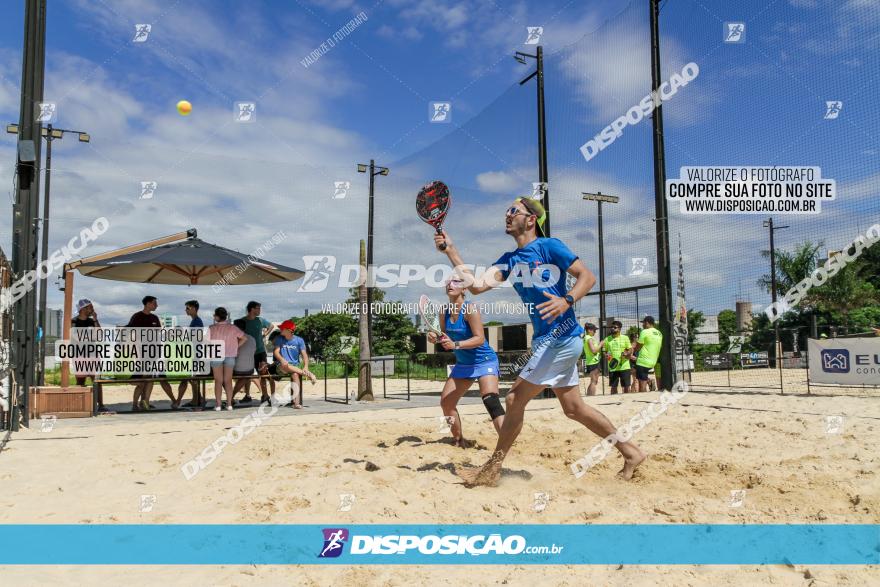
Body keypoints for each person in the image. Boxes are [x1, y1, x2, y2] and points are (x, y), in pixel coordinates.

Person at [432, 197, 645, 486]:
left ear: (531, 219)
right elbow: (478, 286)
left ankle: (492, 468)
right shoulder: (510, 259)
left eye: (513, 211)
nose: (507, 215)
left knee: (513, 398)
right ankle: (631, 452)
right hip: (551, 339)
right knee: (574, 409)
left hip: (562, 337)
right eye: (506, 211)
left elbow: (587, 276)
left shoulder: (549, 246)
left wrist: (567, 299)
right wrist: (452, 251)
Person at [428, 276, 505, 447]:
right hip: (464, 364)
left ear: (464, 289)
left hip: (484, 361)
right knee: (445, 403)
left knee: (491, 400)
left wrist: (455, 344)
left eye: (455, 282)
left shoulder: (470, 309)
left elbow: (479, 339)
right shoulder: (444, 311)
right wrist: (434, 337)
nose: (450, 284)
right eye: (447, 282)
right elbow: (441, 334)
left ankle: (507, 442)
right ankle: (457, 439)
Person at [127, 296, 176, 411]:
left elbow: (159, 334)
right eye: (154, 303)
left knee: (150, 379)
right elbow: (130, 332)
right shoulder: (137, 316)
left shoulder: (154, 317)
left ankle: (145, 402)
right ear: (148, 304)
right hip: (142, 354)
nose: (156, 305)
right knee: (142, 380)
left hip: (154, 354)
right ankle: (135, 404)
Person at [71, 299, 112, 414]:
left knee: (97, 380)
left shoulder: (92, 321)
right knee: (80, 381)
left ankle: (101, 405)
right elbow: (76, 337)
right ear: (82, 309)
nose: (93, 309)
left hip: (93, 354)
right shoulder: (73, 322)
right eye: (90, 307)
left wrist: (95, 320)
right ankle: (80, 405)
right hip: (79, 355)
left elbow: (100, 335)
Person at [208, 307, 247, 411]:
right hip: (230, 354)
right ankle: (229, 404)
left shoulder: (211, 328)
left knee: (218, 381)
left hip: (216, 354)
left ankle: (218, 405)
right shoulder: (233, 327)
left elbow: (205, 342)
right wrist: (236, 346)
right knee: (228, 380)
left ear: (216, 316)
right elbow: (244, 338)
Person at [273, 320, 316, 409]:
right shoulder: (279, 339)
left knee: (296, 375)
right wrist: (282, 359)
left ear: (288, 330)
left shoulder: (299, 340)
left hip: (294, 367)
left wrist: (306, 366)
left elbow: (304, 355)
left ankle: (296, 403)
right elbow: (276, 352)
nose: (280, 329)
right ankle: (309, 374)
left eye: (282, 328)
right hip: (281, 366)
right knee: (285, 365)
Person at [239, 302, 271, 404]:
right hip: (247, 353)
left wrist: (265, 334)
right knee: (247, 374)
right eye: (258, 308)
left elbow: (271, 326)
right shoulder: (243, 321)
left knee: (263, 373)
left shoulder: (260, 320)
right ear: (252, 309)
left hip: (260, 351)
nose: (260, 310)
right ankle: (247, 395)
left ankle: (265, 395)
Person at [177, 300, 205, 408]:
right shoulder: (195, 321)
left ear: (193, 308)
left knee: (193, 377)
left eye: (187, 308)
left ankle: (196, 400)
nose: (186, 310)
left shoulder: (197, 322)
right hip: (194, 353)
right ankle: (198, 398)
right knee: (192, 377)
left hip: (195, 354)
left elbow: (197, 338)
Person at [632, 316, 663, 393]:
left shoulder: (645, 331)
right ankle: (650, 382)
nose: (642, 325)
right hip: (654, 361)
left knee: (641, 385)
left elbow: (638, 347)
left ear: (647, 323)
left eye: (643, 323)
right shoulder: (659, 333)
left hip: (643, 361)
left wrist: (632, 351)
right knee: (640, 376)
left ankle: (643, 396)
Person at [603, 321, 632, 394]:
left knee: (626, 386)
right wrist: (606, 355)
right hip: (613, 366)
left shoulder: (625, 338)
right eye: (612, 327)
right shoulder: (607, 339)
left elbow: (630, 349)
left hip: (624, 366)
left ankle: (626, 402)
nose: (612, 329)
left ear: (619, 329)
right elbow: (604, 351)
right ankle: (613, 402)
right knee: (613, 387)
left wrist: (626, 353)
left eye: (615, 327)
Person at [581, 322, 601, 396]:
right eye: (594, 330)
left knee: (593, 381)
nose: (595, 332)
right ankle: (591, 396)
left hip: (592, 361)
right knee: (594, 381)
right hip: (593, 362)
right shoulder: (589, 338)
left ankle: (589, 395)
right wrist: (600, 344)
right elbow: (593, 351)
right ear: (589, 330)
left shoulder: (586, 338)